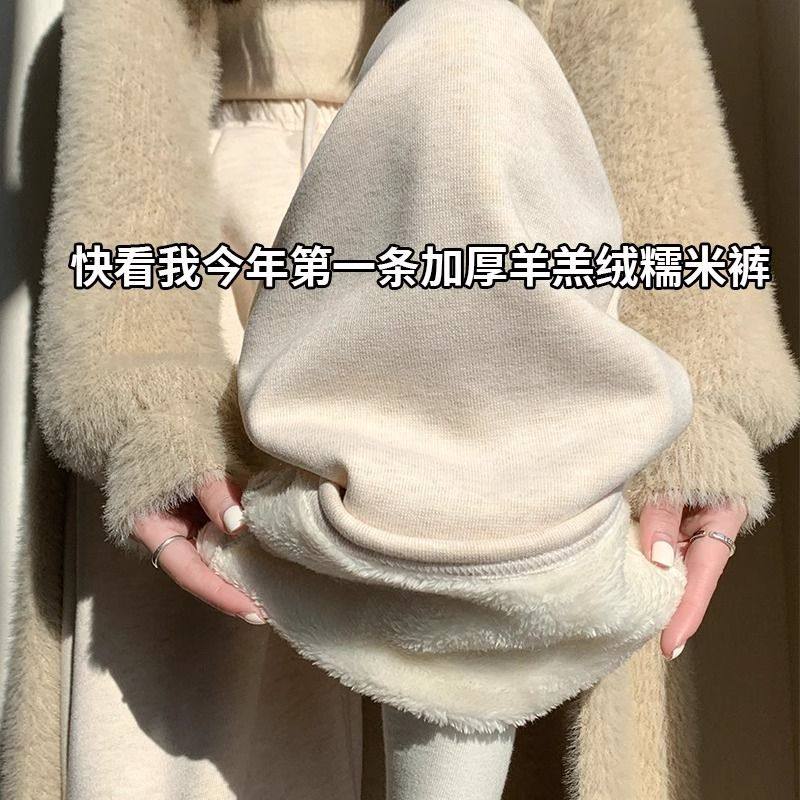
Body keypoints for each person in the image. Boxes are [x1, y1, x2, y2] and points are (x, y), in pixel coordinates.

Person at [3, 0, 798, 798]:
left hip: (510, 231)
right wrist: (139, 368)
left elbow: (617, 28)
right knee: (202, 742)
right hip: (223, 256)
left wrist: (699, 372)